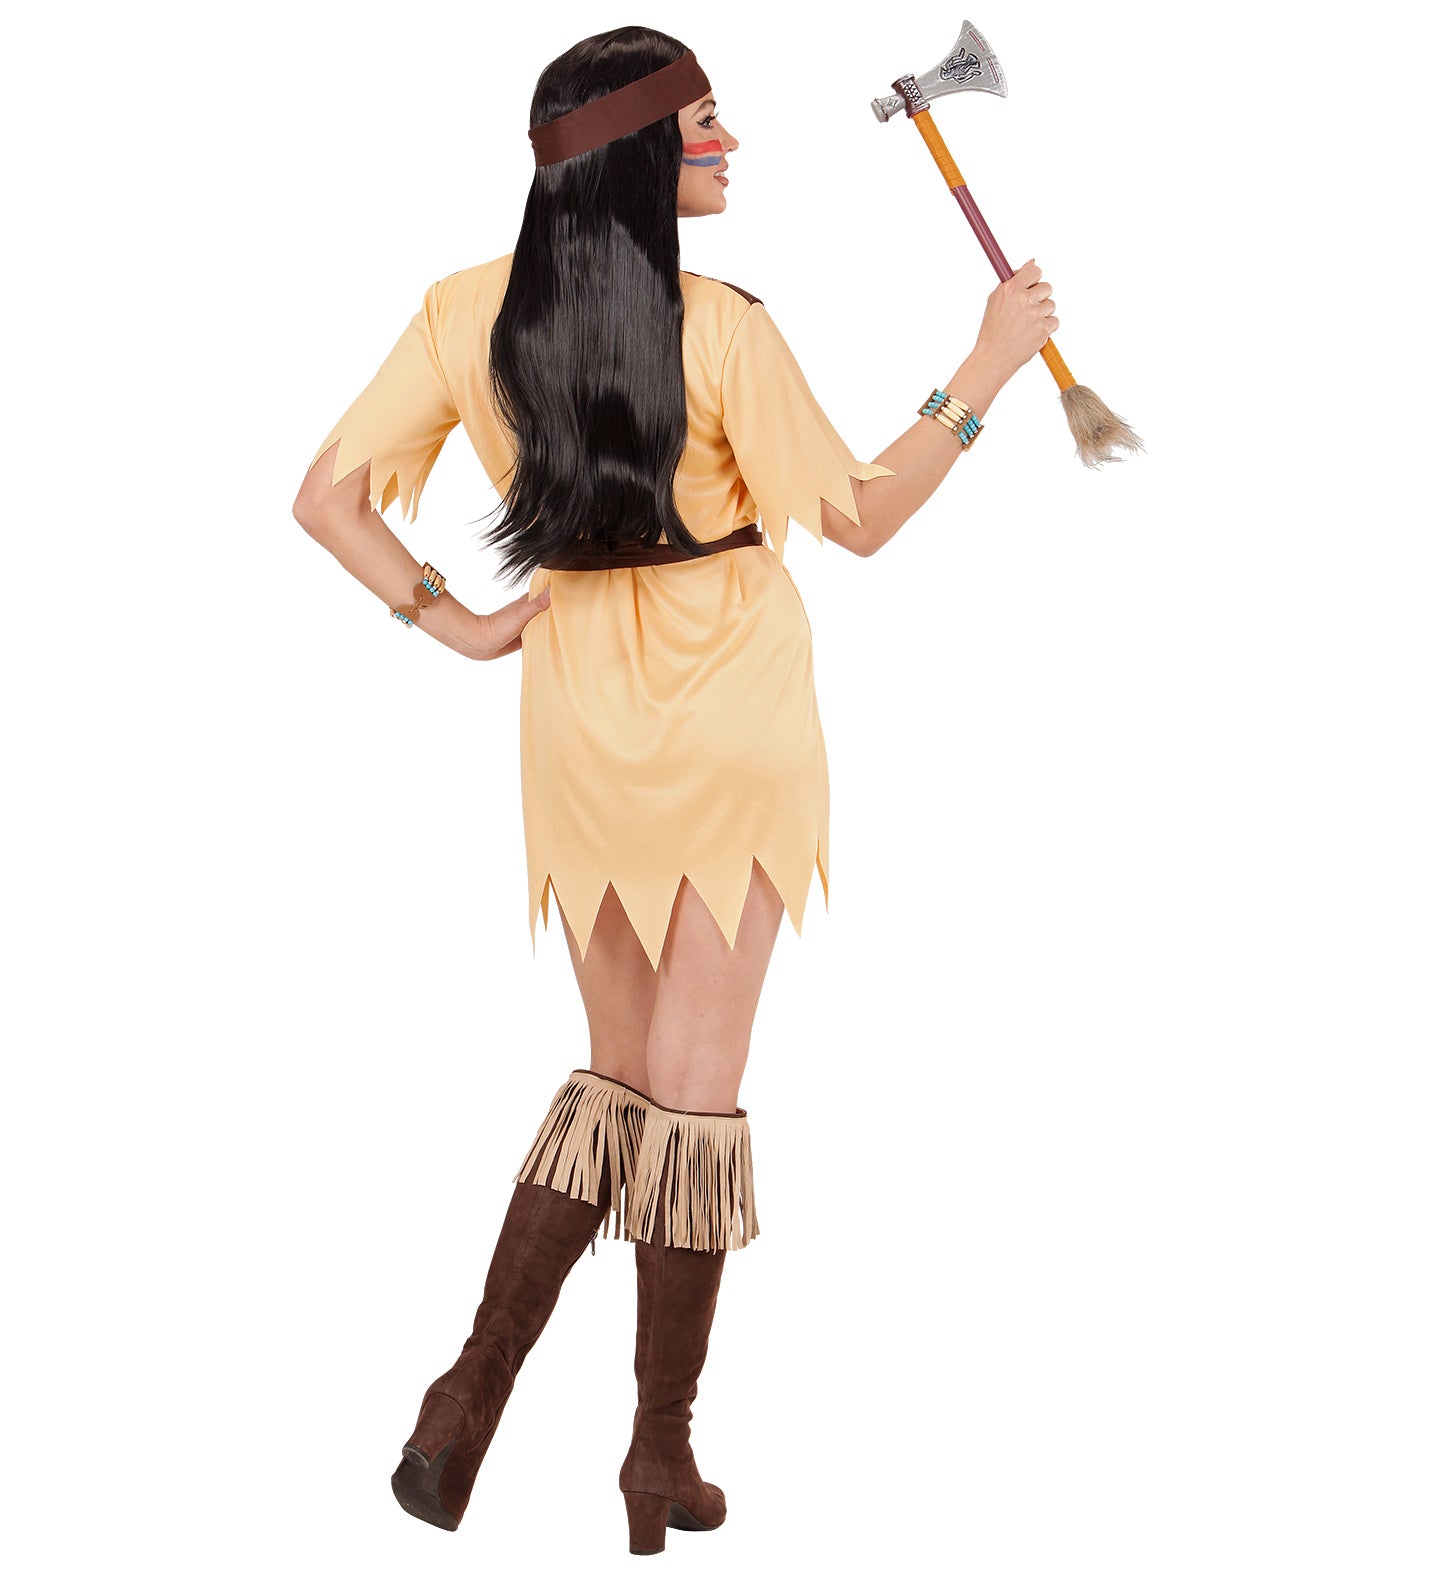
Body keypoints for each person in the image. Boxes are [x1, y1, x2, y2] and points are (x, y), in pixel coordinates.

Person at [291, 24, 1058, 1557]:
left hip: (579, 723)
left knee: (619, 1073)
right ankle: (657, 1452)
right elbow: (859, 520)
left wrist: (457, 626)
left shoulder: (460, 311)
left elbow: (323, 500)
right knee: (688, 1099)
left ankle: (464, 1401)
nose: (728, 144)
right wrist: (986, 367)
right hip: (730, 723)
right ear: (641, 151)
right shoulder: (723, 328)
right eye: (706, 121)